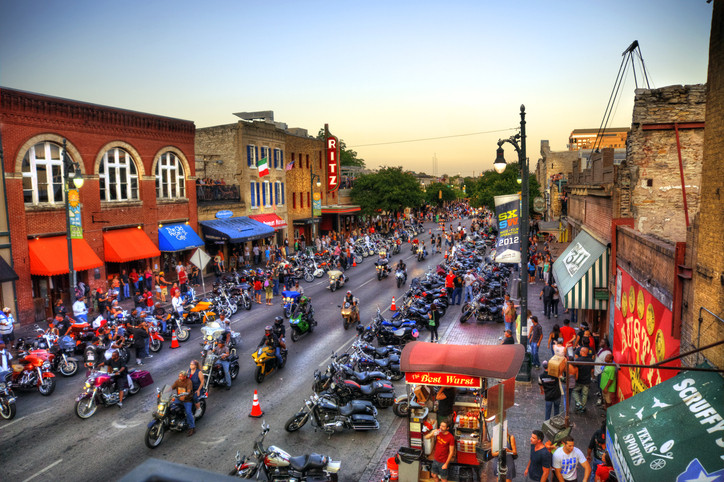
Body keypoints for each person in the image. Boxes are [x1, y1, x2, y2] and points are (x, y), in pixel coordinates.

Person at [171, 371, 196, 436]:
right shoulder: (177, 381)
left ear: (185, 377)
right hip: (179, 399)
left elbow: (189, 390)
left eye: (181, 376)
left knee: (188, 412)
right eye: (179, 376)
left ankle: (192, 428)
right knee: (170, 407)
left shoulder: (188, 382)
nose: (179, 377)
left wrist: (184, 396)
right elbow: (171, 387)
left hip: (187, 400)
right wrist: (164, 392)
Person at [572, 346, 594, 413]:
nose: (580, 352)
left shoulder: (578, 360)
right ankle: (583, 408)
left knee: (575, 391)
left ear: (583, 352)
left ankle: (579, 403)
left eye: (581, 351)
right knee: (585, 394)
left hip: (579, 380)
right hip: (587, 380)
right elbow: (592, 370)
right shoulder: (591, 360)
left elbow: (575, 370)